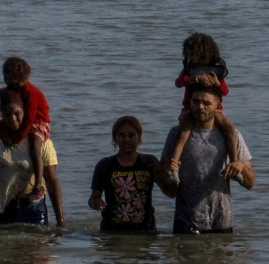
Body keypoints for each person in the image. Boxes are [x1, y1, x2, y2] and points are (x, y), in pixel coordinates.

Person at [159, 77, 255, 234]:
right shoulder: (176, 134)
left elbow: (250, 183)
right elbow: (168, 190)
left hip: (221, 220)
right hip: (186, 222)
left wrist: (240, 167)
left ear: (218, 106)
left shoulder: (232, 135)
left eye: (206, 103)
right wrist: (167, 171)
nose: (200, 107)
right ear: (189, 102)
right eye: (195, 102)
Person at [165, 33, 238, 173]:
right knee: (184, 131)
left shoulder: (216, 70)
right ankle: (173, 167)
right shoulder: (189, 71)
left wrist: (217, 83)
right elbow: (178, 83)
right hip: (190, 109)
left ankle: (234, 163)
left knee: (229, 128)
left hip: (214, 110)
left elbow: (225, 91)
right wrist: (196, 79)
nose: (190, 58)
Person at [90, 116, 170, 232]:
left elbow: (169, 192)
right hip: (112, 231)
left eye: (131, 135)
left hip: (145, 230)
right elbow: (93, 198)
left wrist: (168, 173)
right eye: (121, 135)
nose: (126, 139)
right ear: (115, 139)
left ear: (139, 138)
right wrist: (96, 203)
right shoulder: (105, 165)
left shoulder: (149, 162)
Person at [0, 96, 50, 225]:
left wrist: (60, 220)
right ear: (1, 114)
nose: (13, 118)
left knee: (36, 244)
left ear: (26, 112)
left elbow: (52, 179)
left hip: (32, 207)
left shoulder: (39, 139)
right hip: (0, 207)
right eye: (7, 114)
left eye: (17, 113)